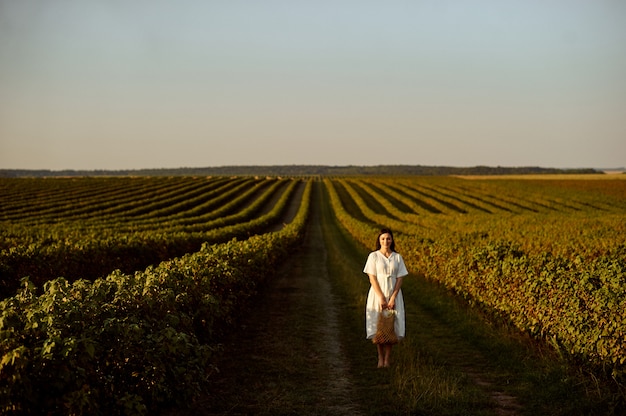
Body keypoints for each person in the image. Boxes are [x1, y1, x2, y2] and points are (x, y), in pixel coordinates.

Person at [363, 228, 409, 368]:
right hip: (378, 293)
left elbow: (400, 278)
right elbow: (372, 278)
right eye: (383, 239)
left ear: (392, 240)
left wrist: (393, 297)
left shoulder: (397, 257)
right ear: (379, 240)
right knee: (379, 325)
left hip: (393, 293)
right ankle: (380, 358)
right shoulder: (374, 256)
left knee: (391, 326)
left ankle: (388, 359)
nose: (385, 241)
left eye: (388, 238)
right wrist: (382, 298)